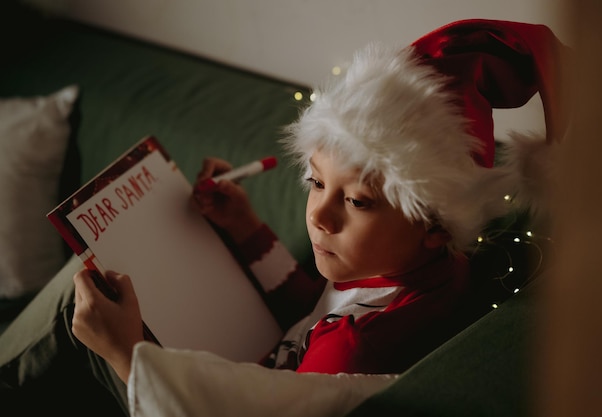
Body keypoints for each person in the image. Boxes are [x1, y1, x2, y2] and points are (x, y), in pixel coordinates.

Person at [1, 19, 570, 417]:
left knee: (71, 300)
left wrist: (125, 355)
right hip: (247, 358)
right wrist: (247, 230)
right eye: (316, 182)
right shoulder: (418, 278)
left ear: (434, 227)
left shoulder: (351, 353)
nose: (319, 215)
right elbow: (313, 311)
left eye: (358, 200)